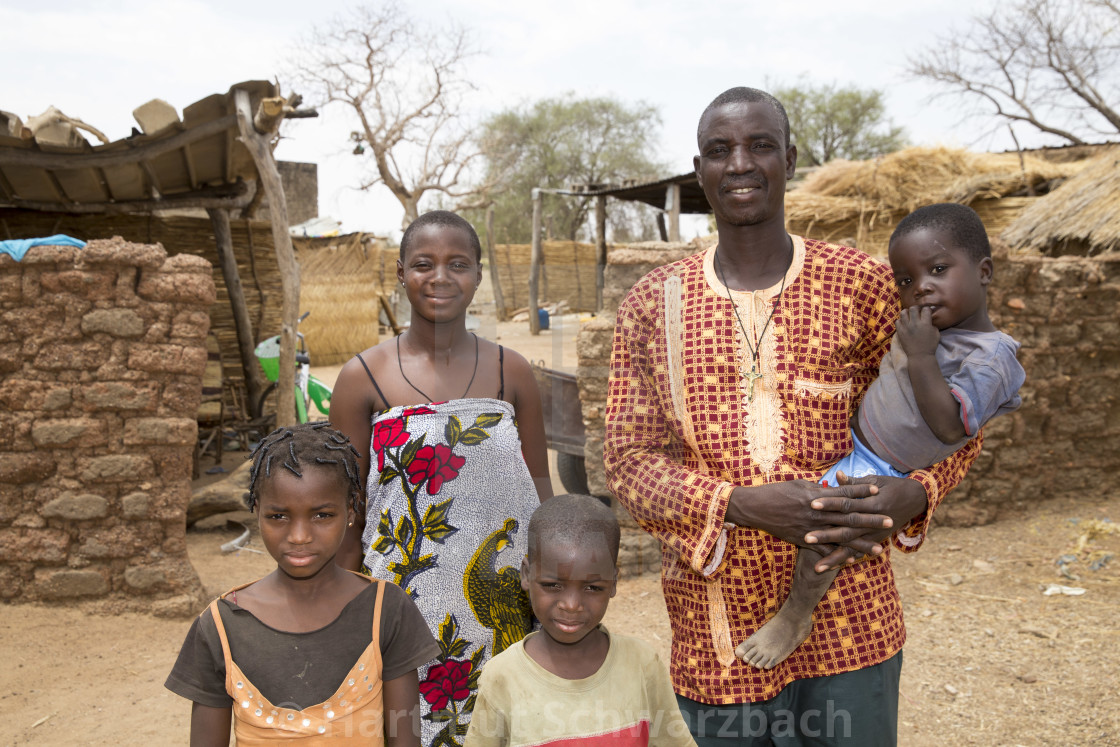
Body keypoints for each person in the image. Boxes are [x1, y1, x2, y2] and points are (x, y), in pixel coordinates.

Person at [603, 87, 983, 746]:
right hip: (717, 628)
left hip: (854, 619)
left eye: (760, 146)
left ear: (791, 159)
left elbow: (950, 415)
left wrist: (911, 493)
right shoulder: (652, 303)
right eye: (720, 151)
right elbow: (629, 462)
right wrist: (742, 503)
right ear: (701, 171)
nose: (741, 163)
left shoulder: (861, 285)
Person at [737, 202, 1025, 670]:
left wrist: (921, 355)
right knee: (796, 512)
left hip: (881, 471)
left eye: (937, 269)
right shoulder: (930, 329)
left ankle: (795, 616)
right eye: (907, 281)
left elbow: (952, 426)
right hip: (858, 450)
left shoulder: (991, 358)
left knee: (823, 538)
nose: (921, 288)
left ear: (984, 271)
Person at [329, 210, 554, 746]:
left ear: (478, 275)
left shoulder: (512, 371)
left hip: (504, 603)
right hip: (406, 604)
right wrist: (337, 610)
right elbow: (346, 508)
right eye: (424, 264)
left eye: (458, 264)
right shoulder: (362, 377)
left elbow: (541, 491)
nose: (440, 277)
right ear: (401, 273)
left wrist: (555, 588)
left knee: (507, 728)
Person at [165, 421, 440, 745]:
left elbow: (404, 738)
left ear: (351, 510)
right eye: (278, 516)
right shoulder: (221, 627)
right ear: (256, 511)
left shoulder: (387, 612)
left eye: (322, 515)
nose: (299, 536)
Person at [464, 494, 695, 747]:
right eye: (552, 585)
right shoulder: (502, 676)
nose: (571, 605)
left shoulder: (642, 664)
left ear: (614, 583)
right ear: (527, 575)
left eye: (592, 588)